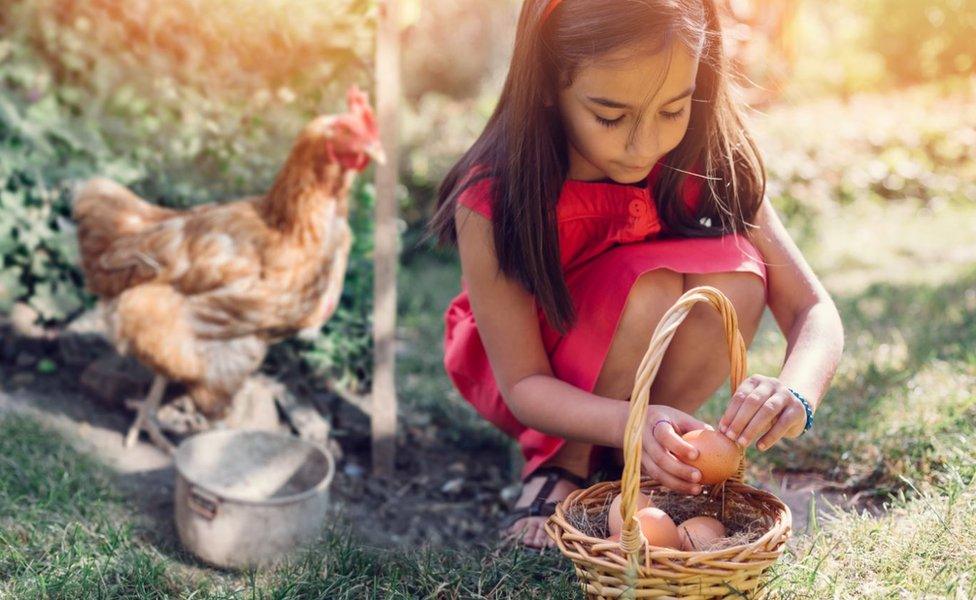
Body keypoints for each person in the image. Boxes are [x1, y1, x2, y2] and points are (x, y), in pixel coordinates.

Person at [426, 0, 844, 550]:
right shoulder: (496, 197)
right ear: (549, 83)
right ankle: (563, 464)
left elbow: (813, 310)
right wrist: (629, 417)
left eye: (673, 110)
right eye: (609, 116)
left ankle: (650, 460)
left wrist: (796, 391)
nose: (643, 146)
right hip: (547, 379)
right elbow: (524, 383)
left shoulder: (714, 157)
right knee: (647, 288)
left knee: (738, 277)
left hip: (648, 370)